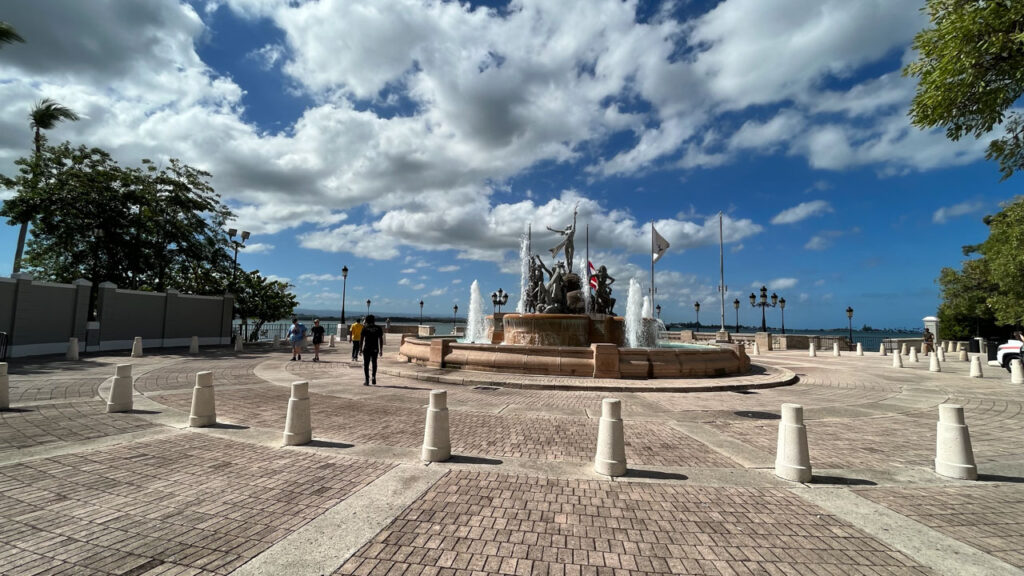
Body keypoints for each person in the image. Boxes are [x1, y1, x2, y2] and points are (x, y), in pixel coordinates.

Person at [360, 314, 384, 385]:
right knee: (374, 363)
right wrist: (381, 350)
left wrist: (360, 349)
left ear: (367, 320)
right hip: (375, 348)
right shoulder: (378, 328)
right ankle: (373, 377)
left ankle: (367, 379)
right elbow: (381, 339)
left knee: (366, 364)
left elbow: (361, 340)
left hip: (367, 348)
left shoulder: (365, 328)